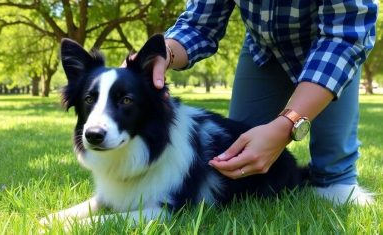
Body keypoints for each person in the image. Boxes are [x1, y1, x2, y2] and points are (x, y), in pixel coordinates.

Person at [148, 0, 377, 205]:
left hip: (332, 49)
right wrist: (164, 52)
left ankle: (332, 176)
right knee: (239, 164)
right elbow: (199, 23)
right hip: (264, 50)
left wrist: (286, 126)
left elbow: (347, 32)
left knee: (334, 178)